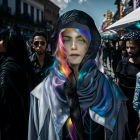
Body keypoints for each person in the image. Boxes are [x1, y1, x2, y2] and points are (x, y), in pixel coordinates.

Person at [28, 10, 129, 140]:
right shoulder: (43, 93)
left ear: (90, 45)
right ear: (60, 44)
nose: (74, 46)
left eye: (81, 40)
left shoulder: (111, 91)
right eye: (67, 40)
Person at [0, 29, 39, 140]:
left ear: (8, 43)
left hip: (11, 128)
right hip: (28, 126)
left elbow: (3, 99)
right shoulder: (27, 66)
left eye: (1, 40)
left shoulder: (7, 69)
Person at [116, 30, 140, 140]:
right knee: (124, 130)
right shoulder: (123, 63)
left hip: (137, 104)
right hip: (124, 102)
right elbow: (118, 83)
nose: (130, 50)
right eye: (128, 47)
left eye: (133, 47)